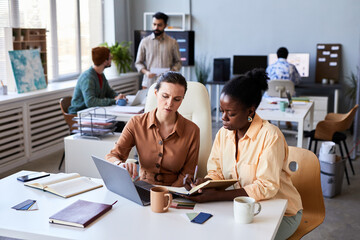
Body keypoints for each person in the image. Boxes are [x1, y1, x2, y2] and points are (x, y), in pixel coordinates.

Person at [185, 69, 303, 240]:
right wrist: (205, 183)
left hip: (281, 213)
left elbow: (265, 187)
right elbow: (216, 172)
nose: (223, 117)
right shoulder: (224, 134)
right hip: (242, 207)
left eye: (231, 113)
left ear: (250, 111)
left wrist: (218, 195)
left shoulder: (270, 136)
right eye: (221, 110)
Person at [105, 71, 200, 187]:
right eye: (165, 96)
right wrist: (119, 164)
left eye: (177, 99)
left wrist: (168, 194)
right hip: (143, 188)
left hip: (175, 191)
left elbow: (188, 173)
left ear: (182, 100)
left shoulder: (192, 130)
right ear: (156, 93)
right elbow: (112, 156)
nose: (169, 103)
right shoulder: (136, 123)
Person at [68, 46, 126, 114]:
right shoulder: (88, 77)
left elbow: (109, 92)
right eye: (110, 58)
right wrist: (114, 101)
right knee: (117, 122)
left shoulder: (100, 75)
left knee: (118, 122)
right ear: (105, 61)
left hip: (92, 112)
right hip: (79, 114)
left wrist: (119, 96)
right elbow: (90, 102)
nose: (111, 60)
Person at [135, 12, 182, 89]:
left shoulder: (173, 42)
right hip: (148, 82)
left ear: (165, 25)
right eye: (154, 24)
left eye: (159, 25)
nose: (156, 27)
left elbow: (178, 62)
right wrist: (146, 72)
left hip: (167, 82)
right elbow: (138, 63)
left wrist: (171, 71)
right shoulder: (144, 42)